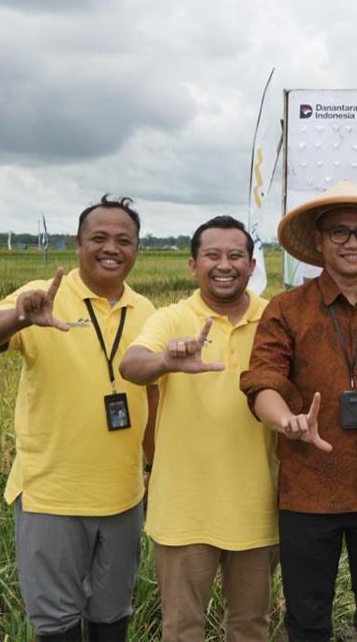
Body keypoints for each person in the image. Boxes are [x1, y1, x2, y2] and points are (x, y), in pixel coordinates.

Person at [0, 195, 154, 642]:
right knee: (56, 624)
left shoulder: (146, 310)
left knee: (112, 616)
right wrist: (20, 317)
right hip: (52, 495)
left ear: (136, 248)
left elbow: (152, 393)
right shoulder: (42, 295)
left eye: (124, 240)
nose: (111, 248)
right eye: (99, 238)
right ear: (78, 243)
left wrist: (155, 468)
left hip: (123, 496)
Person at [239, 181, 357, 642]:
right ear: (318, 241)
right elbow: (262, 380)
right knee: (307, 621)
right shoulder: (287, 309)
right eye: (339, 232)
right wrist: (286, 421)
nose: (351, 242)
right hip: (308, 488)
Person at [118, 216, 277, 642]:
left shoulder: (274, 317)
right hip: (183, 509)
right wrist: (166, 362)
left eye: (235, 256)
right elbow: (132, 365)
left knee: (250, 627)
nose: (224, 265)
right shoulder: (172, 319)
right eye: (212, 255)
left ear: (251, 265)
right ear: (193, 265)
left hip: (257, 506)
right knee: (181, 629)